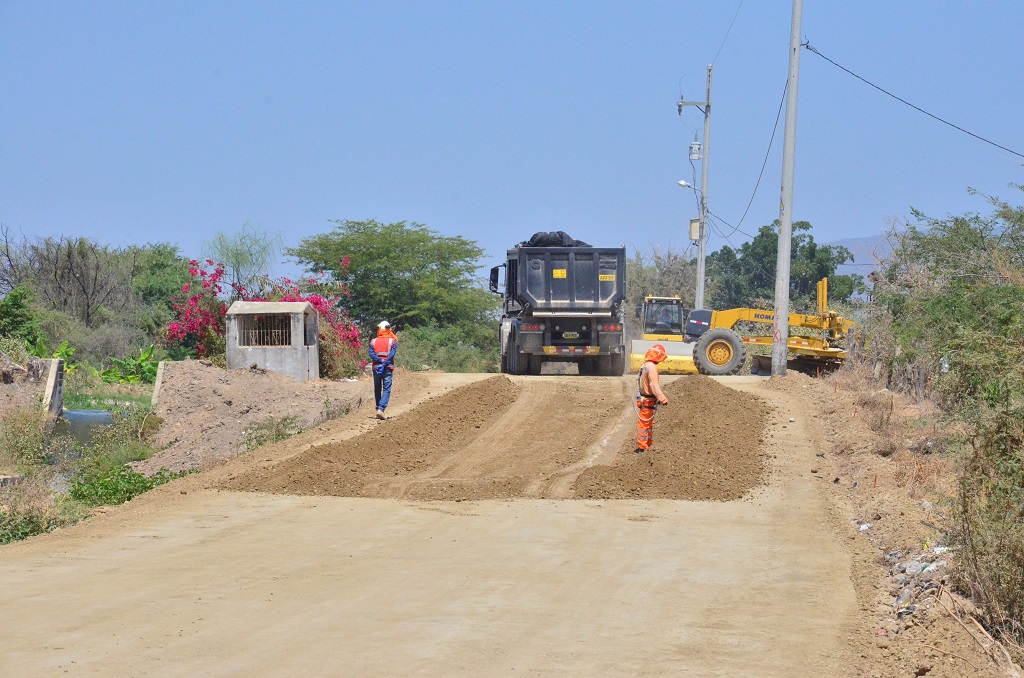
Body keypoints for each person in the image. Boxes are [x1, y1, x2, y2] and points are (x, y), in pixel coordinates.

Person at [635, 343, 669, 453]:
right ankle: (642, 447)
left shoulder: (645, 365)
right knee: (644, 425)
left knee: (647, 425)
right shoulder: (652, 368)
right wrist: (663, 399)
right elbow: (654, 386)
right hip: (647, 401)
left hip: (644, 400)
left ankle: (647, 446)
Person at [369, 320, 398, 419]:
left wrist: (379, 361)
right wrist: (385, 362)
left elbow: (371, 354)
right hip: (387, 368)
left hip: (376, 368)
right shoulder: (392, 341)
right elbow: (392, 355)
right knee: (386, 389)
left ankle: (378, 409)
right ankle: (381, 409)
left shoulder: (373, 341)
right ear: (388, 329)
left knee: (377, 388)